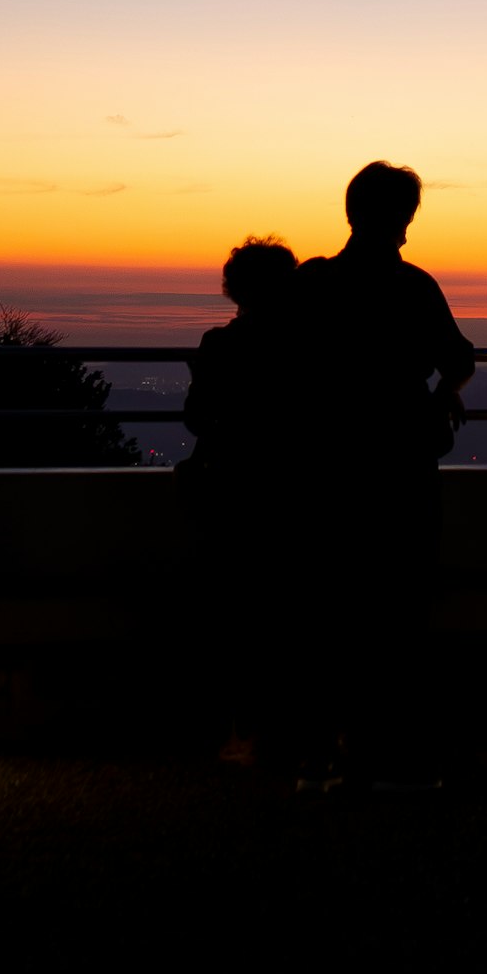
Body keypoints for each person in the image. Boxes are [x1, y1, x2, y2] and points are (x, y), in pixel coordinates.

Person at [292, 162, 476, 789]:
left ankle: (325, 750)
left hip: (326, 466)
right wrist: (440, 393)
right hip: (400, 462)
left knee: (329, 606)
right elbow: (457, 359)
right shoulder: (414, 288)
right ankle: (389, 748)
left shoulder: (313, 284)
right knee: (398, 606)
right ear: (402, 218)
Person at [181, 239, 303, 763]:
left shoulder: (219, 346)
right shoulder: (308, 347)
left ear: (234, 289)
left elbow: (197, 417)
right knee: (289, 611)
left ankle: (233, 728)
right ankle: (289, 726)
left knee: (231, 608)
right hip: (293, 489)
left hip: (230, 485)